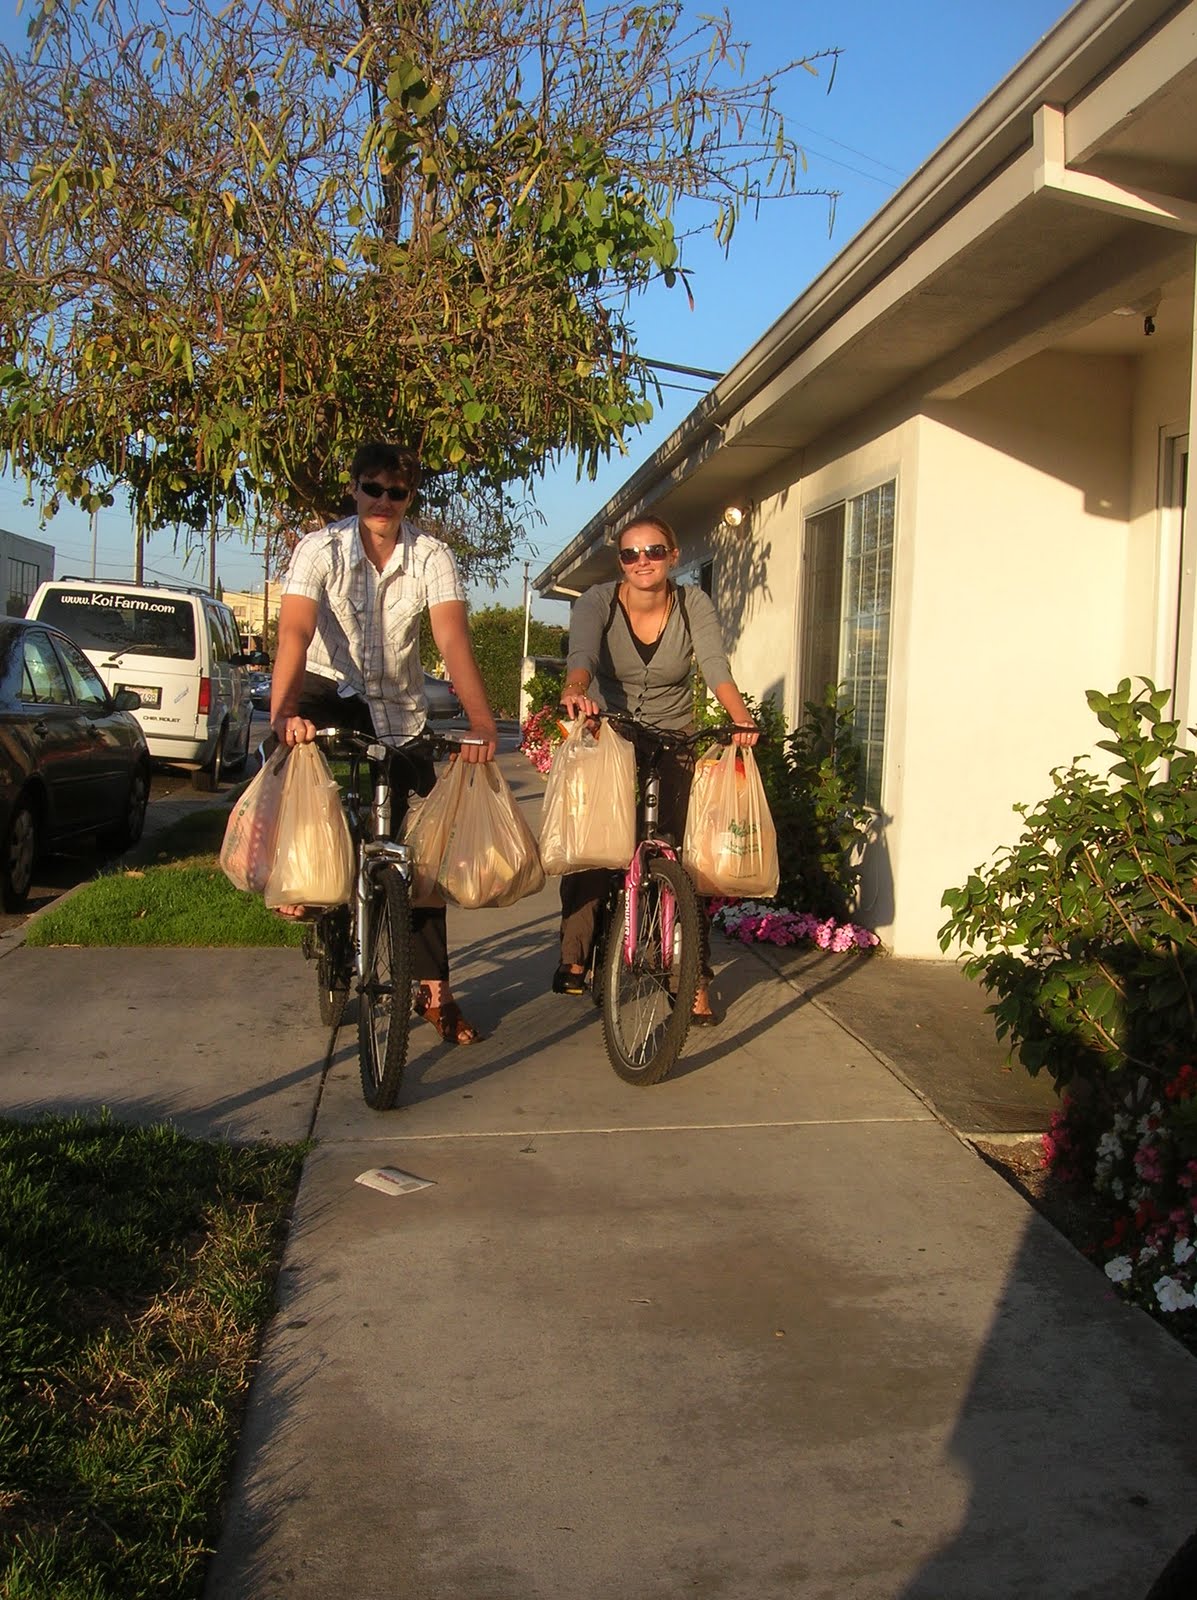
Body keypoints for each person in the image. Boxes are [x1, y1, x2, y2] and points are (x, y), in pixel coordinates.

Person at [270, 441, 498, 1046]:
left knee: (416, 852)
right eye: (372, 488)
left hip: (398, 706)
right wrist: (283, 711)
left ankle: (433, 991)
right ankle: (294, 879)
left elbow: (451, 639)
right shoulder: (319, 549)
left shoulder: (432, 556)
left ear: (409, 497)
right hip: (328, 690)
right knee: (290, 765)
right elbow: (294, 630)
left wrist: (482, 723)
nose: (383, 502)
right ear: (354, 488)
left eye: (396, 493)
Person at [554, 513, 759, 1024]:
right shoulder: (598, 601)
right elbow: (581, 654)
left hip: (672, 737)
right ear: (620, 561)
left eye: (652, 552)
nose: (641, 562)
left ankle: (689, 978)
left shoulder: (693, 604)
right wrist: (577, 692)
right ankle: (576, 952)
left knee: (680, 861)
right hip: (610, 733)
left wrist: (741, 721)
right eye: (630, 554)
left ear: (672, 556)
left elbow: (714, 665)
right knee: (596, 847)